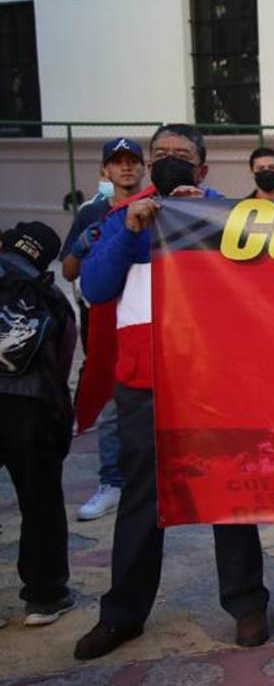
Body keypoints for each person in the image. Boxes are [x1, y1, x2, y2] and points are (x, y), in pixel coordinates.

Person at [73, 124, 271, 659]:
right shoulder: (122, 217)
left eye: (180, 155)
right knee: (142, 497)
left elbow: (261, 284)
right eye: (159, 153)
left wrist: (205, 217)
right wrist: (130, 230)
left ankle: (247, 605)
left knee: (228, 492)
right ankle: (122, 615)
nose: (167, 161)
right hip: (146, 383)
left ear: (202, 168)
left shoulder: (231, 218)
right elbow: (95, 287)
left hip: (214, 381)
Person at [61, 137, 146, 522]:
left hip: (144, 317)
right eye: (117, 161)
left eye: (132, 160)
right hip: (106, 318)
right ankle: (111, 481)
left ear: (143, 167)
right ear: (105, 170)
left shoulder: (158, 204)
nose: (126, 167)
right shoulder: (91, 213)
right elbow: (69, 270)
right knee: (111, 406)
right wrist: (82, 247)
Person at [0, 221, 77, 627]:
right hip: (32, 407)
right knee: (41, 502)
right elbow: (63, 362)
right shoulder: (50, 295)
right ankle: (45, 598)